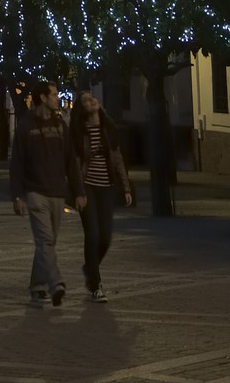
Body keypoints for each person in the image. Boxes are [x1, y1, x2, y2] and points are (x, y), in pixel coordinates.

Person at [9, 82, 85, 307]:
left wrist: (78, 191)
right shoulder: (25, 127)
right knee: (45, 240)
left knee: (46, 244)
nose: (57, 98)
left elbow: (71, 161)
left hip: (57, 192)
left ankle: (37, 286)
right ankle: (55, 284)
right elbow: (17, 164)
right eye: (54, 95)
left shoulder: (61, 126)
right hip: (35, 193)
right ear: (43, 98)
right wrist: (17, 196)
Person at [69, 90, 132, 303]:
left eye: (91, 98)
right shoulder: (79, 132)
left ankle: (90, 267)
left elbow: (117, 159)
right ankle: (96, 285)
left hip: (106, 188)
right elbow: (75, 165)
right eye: (85, 101)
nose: (91, 101)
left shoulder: (108, 128)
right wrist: (77, 192)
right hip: (88, 188)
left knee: (105, 237)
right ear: (82, 110)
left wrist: (126, 187)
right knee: (92, 235)